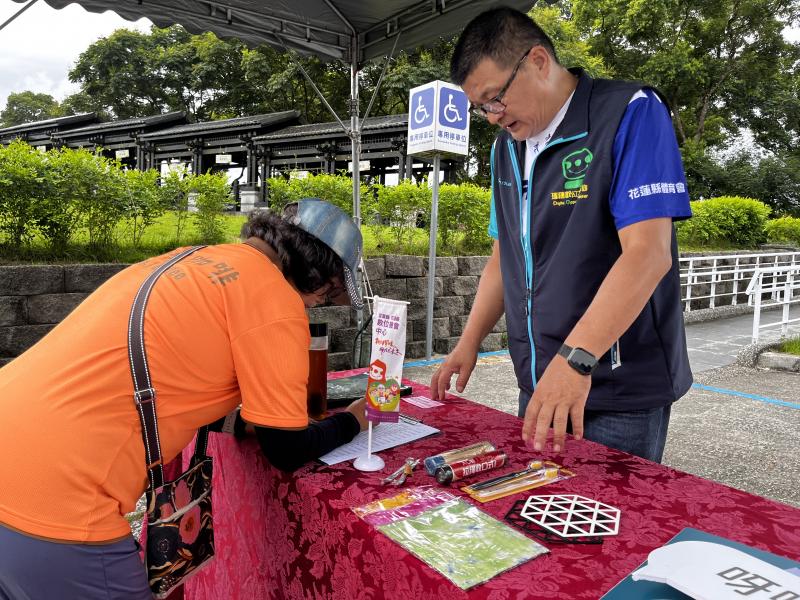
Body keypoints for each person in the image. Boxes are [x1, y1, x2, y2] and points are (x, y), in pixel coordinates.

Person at [0, 198, 368, 599]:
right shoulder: (275, 301)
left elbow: (170, 383)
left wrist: (245, 422)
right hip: (55, 503)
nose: (317, 306)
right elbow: (287, 448)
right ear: (323, 278)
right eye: (327, 299)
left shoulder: (192, 258)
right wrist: (352, 420)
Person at [431, 7, 693, 463]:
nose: (493, 117)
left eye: (496, 98)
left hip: (615, 386)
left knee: (603, 528)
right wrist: (467, 342)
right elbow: (504, 256)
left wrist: (577, 360)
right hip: (540, 380)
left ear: (537, 61)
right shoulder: (505, 149)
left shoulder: (630, 112)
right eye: (482, 108)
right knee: (531, 520)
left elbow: (648, 255)